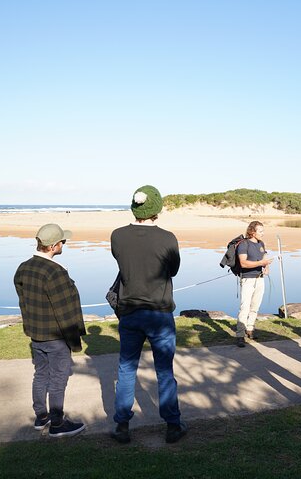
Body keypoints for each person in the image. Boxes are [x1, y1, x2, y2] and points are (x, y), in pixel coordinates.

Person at [110, 185, 187, 444]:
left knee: (126, 369)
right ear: (157, 208)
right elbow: (173, 270)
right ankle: (173, 424)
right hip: (159, 312)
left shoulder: (118, 236)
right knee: (164, 370)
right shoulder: (167, 238)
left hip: (130, 311)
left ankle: (122, 424)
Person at [13, 223, 87, 438]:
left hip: (36, 334)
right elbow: (66, 311)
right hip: (56, 336)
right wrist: (74, 341)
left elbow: (24, 303)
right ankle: (57, 423)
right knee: (58, 379)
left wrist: (30, 329)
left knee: (41, 375)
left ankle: (41, 416)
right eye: (63, 241)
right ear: (54, 246)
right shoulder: (55, 272)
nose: (65, 243)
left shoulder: (23, 268)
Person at [235, 221, 274, 347]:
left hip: (260, 278)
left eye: (263, 231)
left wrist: (266, 267)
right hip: (247, 279)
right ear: (252, 231)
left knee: (255, 306)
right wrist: (261, 263)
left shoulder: (261, 243)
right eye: (260, 231)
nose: (263, 233)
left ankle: (250, 329)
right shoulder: (244, 244)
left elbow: (264, 257)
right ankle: (240, 335)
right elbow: (243, 263)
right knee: (244, 307)